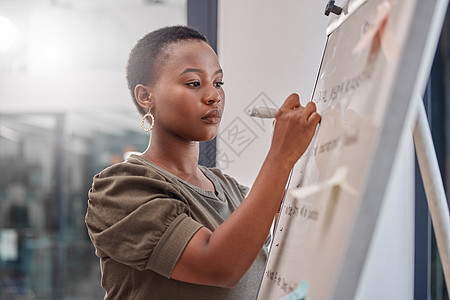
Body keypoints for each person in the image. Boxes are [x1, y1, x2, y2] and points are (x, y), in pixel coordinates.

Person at [85, 25, 320, 299]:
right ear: (146, 96)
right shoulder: (119, 189)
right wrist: (281, 156)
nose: (213, 96)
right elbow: (220, 267)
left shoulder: (231, 189)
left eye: (218, 83)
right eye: (194, 83)